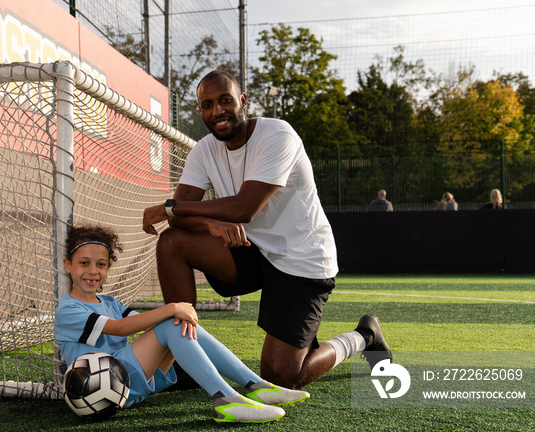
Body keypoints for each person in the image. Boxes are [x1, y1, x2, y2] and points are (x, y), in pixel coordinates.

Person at [142, 69, 391, 390]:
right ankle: (187, 357)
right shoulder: (204, 149)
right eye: (207, 105)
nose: (217, 111)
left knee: (281, 377)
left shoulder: (277, 136)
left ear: (242, 101)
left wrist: (169, 207)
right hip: (251, 251)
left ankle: (364, 336)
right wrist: (210, 223)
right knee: (172, 242)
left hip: (302, 260)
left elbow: (242, 207)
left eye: (225, 100)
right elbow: (179, 220)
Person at [54, 224, 313, 424]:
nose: (92, 271)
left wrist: (174, 312)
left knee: (173, 321)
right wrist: (172, 306)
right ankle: (227, 399)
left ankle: (257, 386)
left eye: (101, 264)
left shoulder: (110, 301)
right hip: (97, 391)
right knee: (171, 320)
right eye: (84, 263)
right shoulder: (68, 310)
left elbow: (142, 324)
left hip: (122, 383)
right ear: (68, 265)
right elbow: (121, 328)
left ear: (108, 268)